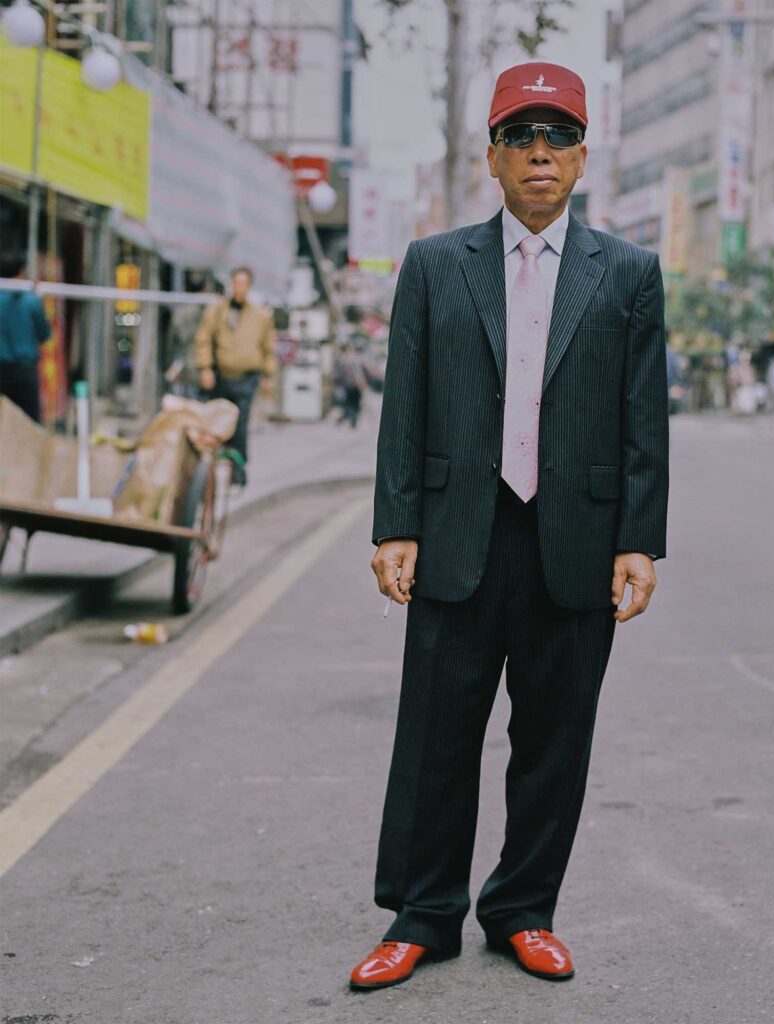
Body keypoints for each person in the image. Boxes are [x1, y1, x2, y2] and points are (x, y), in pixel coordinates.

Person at [351, 61, 669, 991]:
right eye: (521, 136)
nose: (541, 153)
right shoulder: (436, 264)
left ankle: (524, 910)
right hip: (460, 530)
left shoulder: (631, 274)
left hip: (574, 539)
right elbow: (401, 403)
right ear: (491, 155)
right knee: (436, 733)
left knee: (556, 738)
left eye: (558, 136)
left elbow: (643, 417)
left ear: (581, 157)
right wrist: (394, 523)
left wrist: (639, 541)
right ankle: (421, 916)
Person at [193, 267, 276, 486]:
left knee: (240, 425)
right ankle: (208, 469)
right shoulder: (217, 311)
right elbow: (204, 339)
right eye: (236, 282)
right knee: (216, 423)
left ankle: (238, 467)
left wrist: (268, 376)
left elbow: (269, 347)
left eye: (243, 283)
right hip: (221, 375)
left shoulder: (261, 316)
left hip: (247, 378)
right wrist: (205, 367)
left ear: (249, 286)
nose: (239, 287)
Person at [0, 254, 51, 423]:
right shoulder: (31, 300)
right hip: (24, 370)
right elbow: (44, 334)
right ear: (21, 272)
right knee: (29, 423)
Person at [332, 341, 368, 428]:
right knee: (354, 403)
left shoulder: (342, 359)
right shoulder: (355, 357)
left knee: (349, 403)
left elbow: (338, 374)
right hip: (356, 384)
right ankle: (352, 419)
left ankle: (350, 418)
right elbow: (362, 370)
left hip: (349, 384)